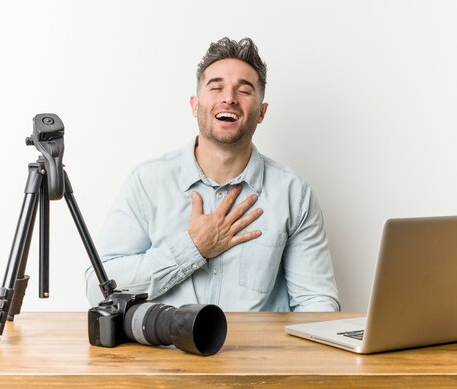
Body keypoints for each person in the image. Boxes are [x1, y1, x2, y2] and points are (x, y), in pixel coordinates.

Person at [85, 37, 340, 312]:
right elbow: (97, 290)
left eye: (244, 90)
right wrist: (192, 248)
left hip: (258, 354)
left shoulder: (294, 194)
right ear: (195, 105)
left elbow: (317, 300)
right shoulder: (147, 183)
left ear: (262, 113)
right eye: (216, 87)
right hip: (166, 353)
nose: (229, 98)